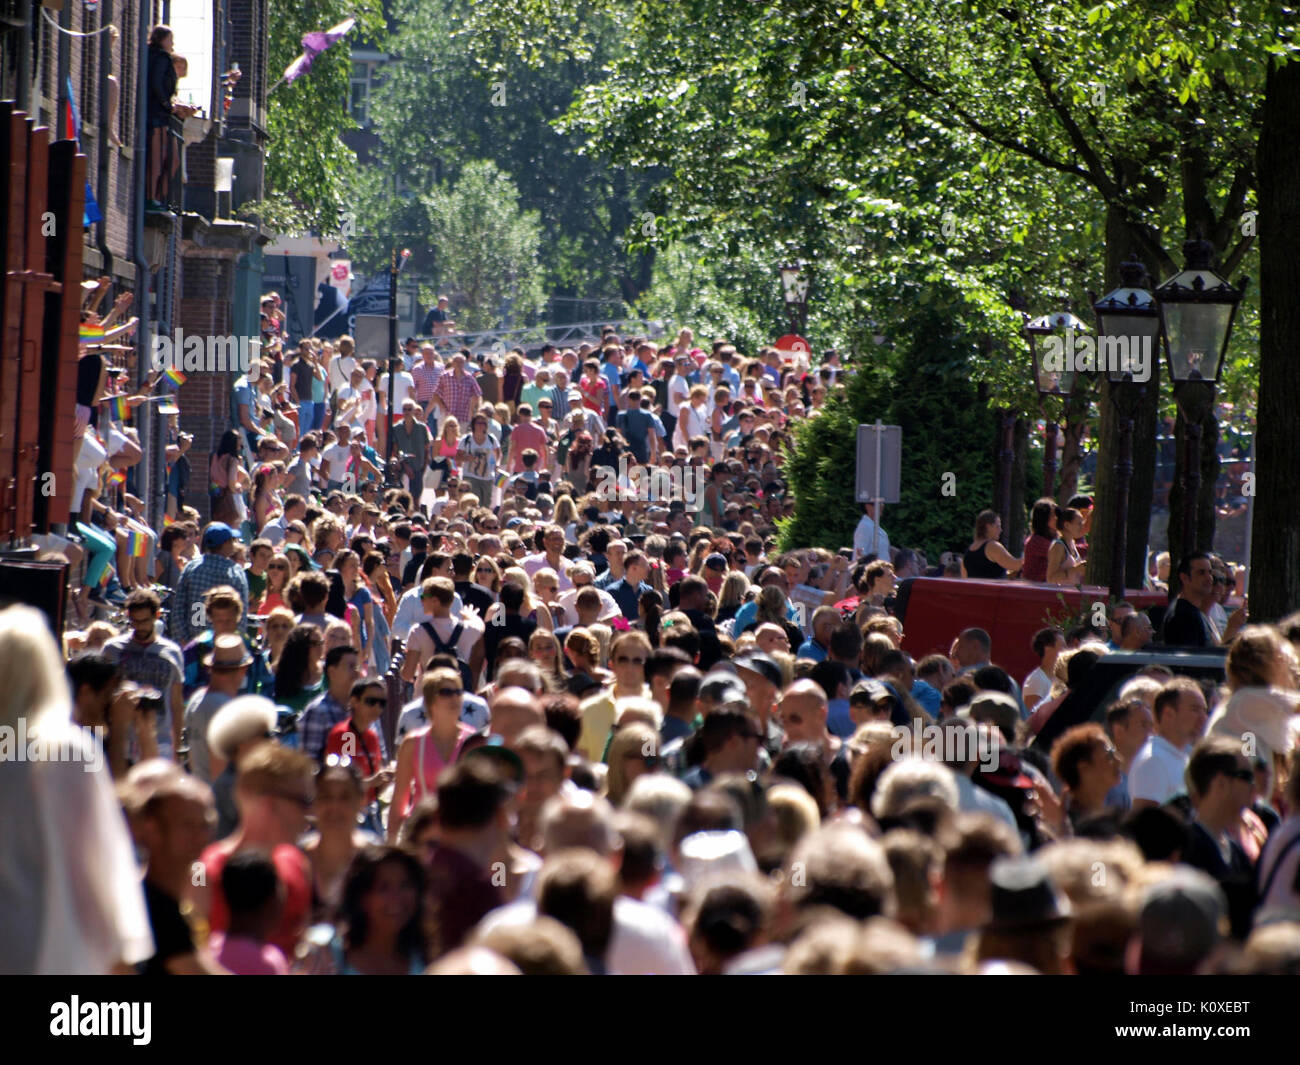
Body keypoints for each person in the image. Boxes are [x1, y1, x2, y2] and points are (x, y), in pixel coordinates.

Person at [388, 668, 478, 841]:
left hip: (461, 837)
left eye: (459, 692)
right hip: (422, 837)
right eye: (446, 692)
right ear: (430, 701)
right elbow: (399, 799)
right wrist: (391, 844)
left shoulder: (474, 742)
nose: (454, 698)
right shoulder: (413, 743)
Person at [1128, 678, 1208, 810]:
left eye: (1204, 710)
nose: (1203, 717)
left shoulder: (1187, 757)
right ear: (1168, 714)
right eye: (1195, 709)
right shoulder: (1153, 761)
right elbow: (1142, 823)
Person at [961, 510, 1022, 579]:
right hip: (992, 589)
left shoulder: (967, 552)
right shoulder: (992, 546)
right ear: (988, 526)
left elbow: (964, 578)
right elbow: (1016, 565)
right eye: (998, 526)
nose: (1001, 530)